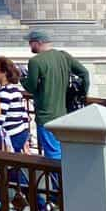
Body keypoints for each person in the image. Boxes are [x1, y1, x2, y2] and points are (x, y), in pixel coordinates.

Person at [22, 30, 89, 160]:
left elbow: (31, 87)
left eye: (31, 43)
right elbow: (84, 74)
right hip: (63, 114)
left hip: (46, 116)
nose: (30, 46)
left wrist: (22, 78)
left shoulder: (35, 62)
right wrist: (82, 94)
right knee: (64, 151)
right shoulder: (63, 56)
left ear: (38, 42)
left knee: (52, 155)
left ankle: (57, 180)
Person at [0, 56, 31, 153]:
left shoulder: (4, 92)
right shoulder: (15, 90)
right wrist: (26, 136)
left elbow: (0, 118)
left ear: (3, 72)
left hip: (11, 135)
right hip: (21, 133)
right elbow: (24, 114)